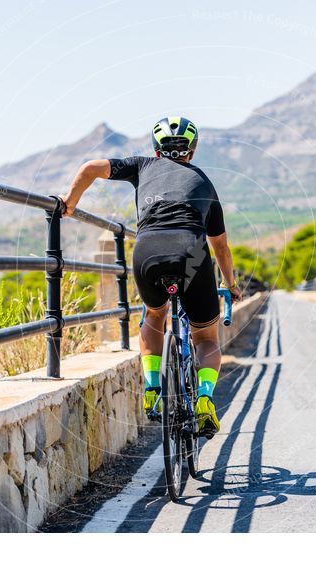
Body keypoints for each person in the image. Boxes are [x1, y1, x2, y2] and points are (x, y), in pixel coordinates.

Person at [61, 116, 241, 436]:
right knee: (205, 337)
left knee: (154, 316)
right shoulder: (204, 183)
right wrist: (231, 284)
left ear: (156, 149)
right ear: (192, 151)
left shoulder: (141, 166)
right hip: (192, 253)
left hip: (148, 251)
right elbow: (222, 248)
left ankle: (152, 388)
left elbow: (90, 167)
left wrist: (70, 204)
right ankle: (203, 399)